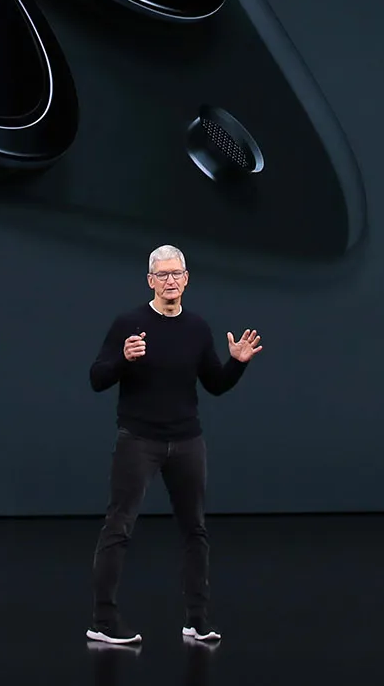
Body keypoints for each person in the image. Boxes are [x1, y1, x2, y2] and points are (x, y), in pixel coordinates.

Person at [85, 243, 264, 648]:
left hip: (187, 441)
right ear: (150, 281)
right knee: (119, 527)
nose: (169, 281)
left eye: (176, 274)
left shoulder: (198, 328)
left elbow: (215, 385)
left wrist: (236, 363)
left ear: (186, 279)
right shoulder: (128, 323)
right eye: (161, 275)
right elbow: (97, 378)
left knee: (195, 531)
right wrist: (123, 361)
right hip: (139, 440)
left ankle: (197, 621)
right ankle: (103, 620)